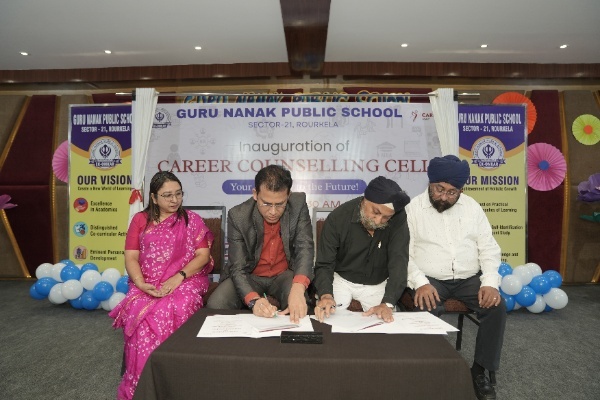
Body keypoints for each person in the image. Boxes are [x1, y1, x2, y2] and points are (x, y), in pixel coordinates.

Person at [405, 155, 505, 400]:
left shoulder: (472, 208)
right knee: (426, 308)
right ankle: (429, 372)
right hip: (429, 278)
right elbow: (403, 255)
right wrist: (421, 283)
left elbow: (489, 248)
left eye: (452, 192)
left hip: (468, 278)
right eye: (439, 189)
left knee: (496, 307)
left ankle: (480, 371)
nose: (444, 197)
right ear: (430, 183)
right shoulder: (413, 209)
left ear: (461, 190)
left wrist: (490, 283)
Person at [109, 171, 214, 400]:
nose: (174, 200)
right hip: (146, 281)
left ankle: (179, 382)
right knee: (139, 310)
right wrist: (141, 283)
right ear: (154, 198)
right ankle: (144, 385)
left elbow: (203, 256)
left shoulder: (192, 220)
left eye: (178, 194)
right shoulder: (140, 220)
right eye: (167, 195)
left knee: (178, 305)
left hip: (187, 279)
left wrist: (179, 276)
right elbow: (131, 257)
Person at [206, 165, 313, 323]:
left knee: (300, 307)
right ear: (255, 194)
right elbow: (237, 267)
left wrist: (298, 287)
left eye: (280, 204)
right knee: (216, 304)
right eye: (267, 204)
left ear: (288, 195)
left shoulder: (298, 204)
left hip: (284, 274)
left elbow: (305, 247)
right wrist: (253, 300)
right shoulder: (238, 216)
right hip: (249, 275)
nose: (273, 211)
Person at [313, 176, 410, 323]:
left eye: (386, 217)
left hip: (377, 283)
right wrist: (326, 295)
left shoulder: (398, 218)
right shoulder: (338, 218)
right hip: (341, 279)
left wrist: (388, 303)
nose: (378, 221)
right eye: (376, 212)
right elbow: (325, 263)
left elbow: (399, 261)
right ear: (365, 200)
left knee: (385, 323)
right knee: (327, 317)